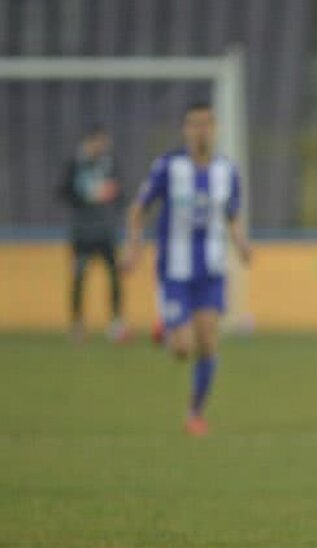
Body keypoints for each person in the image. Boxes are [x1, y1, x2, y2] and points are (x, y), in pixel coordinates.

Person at [124, 102, 252, 436]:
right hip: (174, 270)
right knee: (183, 349)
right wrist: (134, 246)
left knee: (209, 342)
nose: (201, 130)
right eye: (194, 124)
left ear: (216, 128)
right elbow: (139, 209)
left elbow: (233, 213)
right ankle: (168, 328)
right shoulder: (168, 167)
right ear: (185, 130)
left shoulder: (227, 170)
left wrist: (240, 243)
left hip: (210, 269)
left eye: (206, 124)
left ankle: (195, 413)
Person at [59, 125, 125, 342]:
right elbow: (62, 192)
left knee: (115, 276)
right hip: (82, 233)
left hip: (105, 232)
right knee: (79, 277)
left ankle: (116, 324)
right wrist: (88, 194)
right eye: (98, 141)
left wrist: (113, 194)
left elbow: (120, 193)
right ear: (89, 141)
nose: (101, 146)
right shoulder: (75, 164)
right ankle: (77, 325)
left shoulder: (110, 165)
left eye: (104, 142)